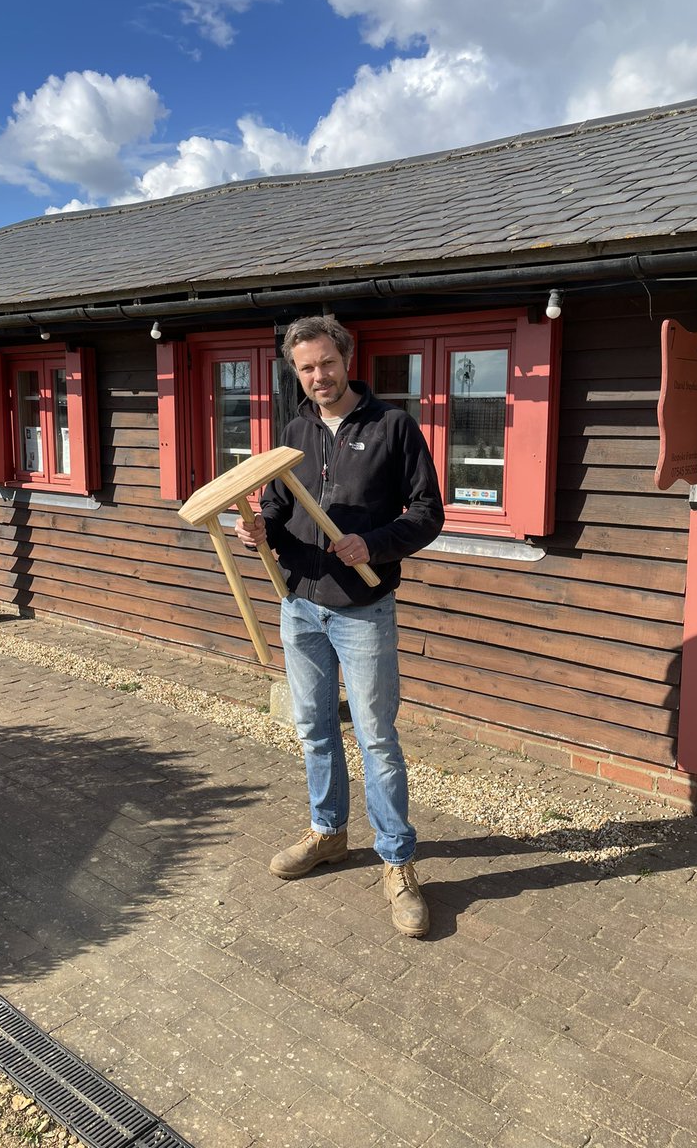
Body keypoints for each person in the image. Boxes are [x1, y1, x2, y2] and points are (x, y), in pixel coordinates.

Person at [235, 315, 444, 937]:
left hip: (363, 611)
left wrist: (375, 544)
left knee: (377, 737)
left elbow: (428, 512)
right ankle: (328, 834)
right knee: (315, 730)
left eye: (326, 362)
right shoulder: (294, 429)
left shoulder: (393, 426)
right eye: (305, 367)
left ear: (347, 358)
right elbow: (276, 505)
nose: (318, 376)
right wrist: (259, 530)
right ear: (295, 372)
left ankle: (398, 860)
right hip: (299, 604)